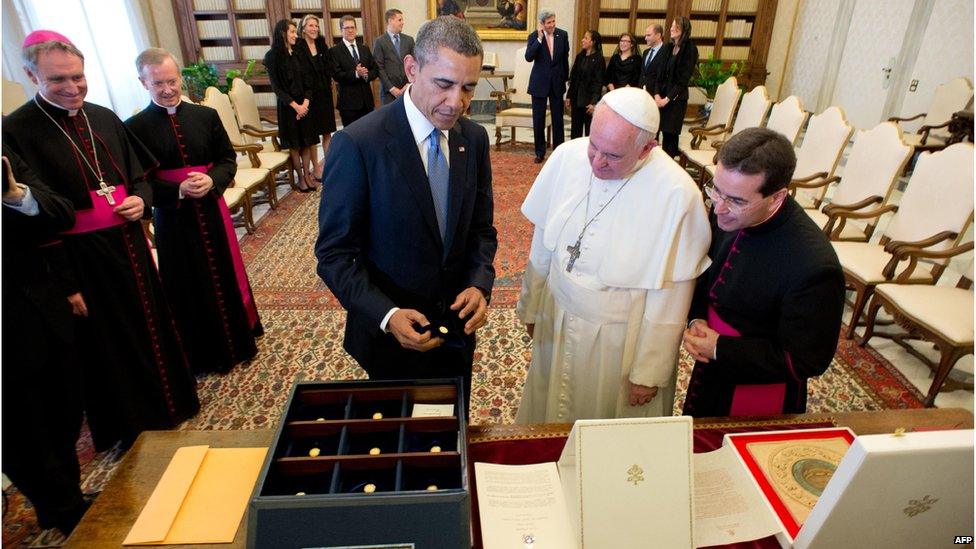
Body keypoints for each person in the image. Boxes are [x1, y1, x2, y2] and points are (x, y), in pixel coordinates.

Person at [3, 30, 199, 451]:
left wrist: (138, 200)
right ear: (30, 75)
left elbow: (141, 178)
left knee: (150, 326)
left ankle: (172, 405)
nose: (72, 88)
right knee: (107, 346)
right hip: (78, 258)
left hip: (128, 243)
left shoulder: (102, 116)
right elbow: (30, 220)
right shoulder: (16, 130)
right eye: (58, 80)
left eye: (78, 76)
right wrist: (66, 283)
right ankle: (130, 427)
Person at [315, 16, 497, 408]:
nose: (457, 103)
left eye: (468, 88)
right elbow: (334, 255)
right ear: (412, 68)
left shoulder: (474, 138)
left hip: (455, 333)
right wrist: (387, 314)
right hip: (390, 340)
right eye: (444, 84)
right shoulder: (358, 143)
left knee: (451, 432)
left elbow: (482, 230)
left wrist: (480, 283)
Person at [515, 87, 711, 423]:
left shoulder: (677, 194)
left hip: (618, 342)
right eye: (594, 146)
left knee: (606, 430)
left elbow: (672, 297)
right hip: (558, 315)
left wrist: (649, 372)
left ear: (647, 147)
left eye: (613, 156)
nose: (596, 162)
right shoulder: (567, 156)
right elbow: (543, 242)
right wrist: (532, 308)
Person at [681, 128, 845, 418]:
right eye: (715, 190)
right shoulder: (727, 208)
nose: (719, 209)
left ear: (777, 196)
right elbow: (706, 270)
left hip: (758, 393)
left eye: (737, 201)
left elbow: (805, 360)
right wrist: (697, 317)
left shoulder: (814, 266)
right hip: (711, 370)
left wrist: (720, 347)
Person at [126, 48, 263, 376]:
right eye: (158, 83)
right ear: (143, 82)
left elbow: (228, 159)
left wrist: (212, 178)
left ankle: (236, 342)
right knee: (185, 285)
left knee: (224, 274)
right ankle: (200, 355)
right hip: (173, 220)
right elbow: (136, 183)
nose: (167, 89)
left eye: (172, 81)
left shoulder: (204, 116)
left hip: (211, 212)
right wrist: (176, 190)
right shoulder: (134, 127)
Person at [1, 146, 88, 536]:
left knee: (64, 412)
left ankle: (66, 502)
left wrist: (14, 197)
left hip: (42, 306)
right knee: (21, 432)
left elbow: (58, 210)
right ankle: (64, 510)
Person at [264, 19, 320, 192]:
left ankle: (308, 175)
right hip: (288, 108)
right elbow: (276, 87)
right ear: (283, 34)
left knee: (307, 142)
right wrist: (296, 106)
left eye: (296, 32)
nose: (296, 35)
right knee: (295, 145)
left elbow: (309, 81)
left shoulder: (298, 53)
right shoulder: (272, 57)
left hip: (305, 105)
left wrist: (305, 103)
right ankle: (301, 178)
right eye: (292, 32)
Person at [525, 9, 569, 164]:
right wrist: (539, 39)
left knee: (558, 119)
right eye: (549, 22)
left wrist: (566, 80)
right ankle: (540, 152)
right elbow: (528, 57)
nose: (552, 25)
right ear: (542, 24)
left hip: (557, 83)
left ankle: (559, 151)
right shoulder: (534, 37)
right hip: (539, 84)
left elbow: (565, 59)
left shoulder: (562, 35)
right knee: (539, 119)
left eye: (553, 21)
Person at [296, 14, 336, 183]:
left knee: (327, 131)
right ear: (303, 28)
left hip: (324, 92)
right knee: (313, 134)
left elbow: (329, 64)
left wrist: (330, 79)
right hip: (309, 95)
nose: (314, 29)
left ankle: (329, 165)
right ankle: (316, 168)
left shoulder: (321, 43)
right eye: (310, 25)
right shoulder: (298, 46)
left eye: (316, 26)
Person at [655, 16, 698, 159]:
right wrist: (656, 95)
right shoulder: (668, 47)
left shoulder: (690, 49)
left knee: (670, 136)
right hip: (660, 98)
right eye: (672, 26)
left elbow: (683, 80)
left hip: (676, 101)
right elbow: (659, 74)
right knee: (654, 133)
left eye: (675, 26)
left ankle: (669, 168)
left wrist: (667, 99)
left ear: (684, 29)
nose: (671, 29)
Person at [331, 15, 378, 127]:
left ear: (356, 29)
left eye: (352, 27)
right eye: (347, 28)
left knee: (369, 135)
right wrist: (356, 74)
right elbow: (336, 75)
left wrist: (366, 74)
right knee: (352, 138)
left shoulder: (364, 48)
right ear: (341, 30)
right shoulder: (335, 51)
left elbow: (375, 69)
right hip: (348, 105)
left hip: (367, 103)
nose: (350, 30)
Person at [566, 29, 604, 138]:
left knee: (589, 132)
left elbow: (598, 83)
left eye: (586, 38)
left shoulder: (599, 59)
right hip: (576, 99)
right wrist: (569, 96)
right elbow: (573, 78)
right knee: (575, 131)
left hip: (589, 102)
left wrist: (594, 102)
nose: (582, 40)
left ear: (593, 42)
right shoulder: (580, 56)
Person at [373, 9, 415, 106]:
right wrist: (392, 88)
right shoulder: (380, 42)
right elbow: (379, 67)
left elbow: (414, 63)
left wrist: (409, 84)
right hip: (389, 93)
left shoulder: (409, 40)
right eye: (399, 20)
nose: (403, 23)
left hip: (408, 90)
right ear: (390, 21)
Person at [640, 24, 666, 100]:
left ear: (658, 35)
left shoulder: (666, 53)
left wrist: (657, 94)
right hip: (643, 96)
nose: (645, 38)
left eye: (648, 35)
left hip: (657, 97)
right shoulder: (645, 52)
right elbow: (643, 74)